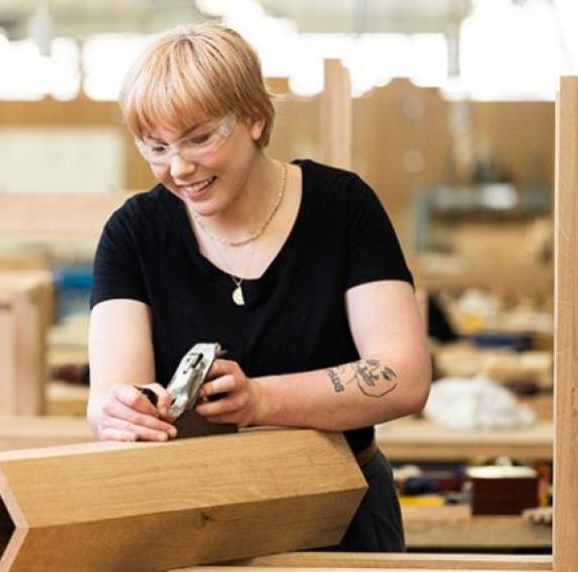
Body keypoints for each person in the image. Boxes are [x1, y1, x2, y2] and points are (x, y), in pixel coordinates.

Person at [86, 22, 431, 552]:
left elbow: (404, 376)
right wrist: (121, 412)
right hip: (191, 519)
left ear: (255, 117)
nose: (179, 168)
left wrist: (261, 400)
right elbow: (111, 395)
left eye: (200, 138)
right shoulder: (135, 233)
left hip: (342, 514)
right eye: (156, 147)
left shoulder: (342, 208)